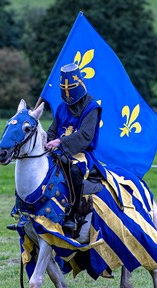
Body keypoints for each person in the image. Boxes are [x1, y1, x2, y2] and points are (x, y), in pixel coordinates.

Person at [45, 62, 102, 230]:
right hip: (59, 150)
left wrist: (61, 142)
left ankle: (73, 213)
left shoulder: (93, 107)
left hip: (81, 152)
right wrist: (45, 142)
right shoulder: (62, 107)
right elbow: (53, 130)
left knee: (74, 170)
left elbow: (85, 135)